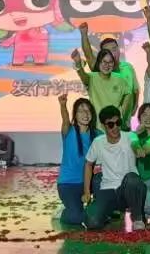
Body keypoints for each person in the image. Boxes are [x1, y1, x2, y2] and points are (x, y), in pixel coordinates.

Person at [82, 105, 149, 230]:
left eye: (118, 123)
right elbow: (88, 164)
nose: (115, 127)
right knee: (92, 222)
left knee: (132, 178)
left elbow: (135, 143)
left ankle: (138, 218)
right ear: (103, 126)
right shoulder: (98, 142)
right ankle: (107, 214)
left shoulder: (129, 136)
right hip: (108, 190)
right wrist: (86, 191)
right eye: (110, 124)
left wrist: (138, 149)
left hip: (128, 189)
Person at [79, 23, 140, 116]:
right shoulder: (101, 70)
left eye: (114, 49)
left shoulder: (128, 67)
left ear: (119, 50)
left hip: (125, 120)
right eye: (108, 51)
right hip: (104, 119)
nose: (112, 53)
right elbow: (89, 55)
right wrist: (84, 34)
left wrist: (135, 107)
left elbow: (135, 90)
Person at [56, 93, 98, 225]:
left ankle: (99, 208)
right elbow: (65, 119)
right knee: (76, 217)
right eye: (81, 111)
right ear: (75, 114)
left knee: (102, 180)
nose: (85, 114)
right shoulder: (69, 131)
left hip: (87, 182)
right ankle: (64, 213)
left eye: (88, 110)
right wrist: (63, 105)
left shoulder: (97, 134)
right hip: (68, 184)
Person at [72, 48, 133, 127]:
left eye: (110, 62)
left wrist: (123, 117)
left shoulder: (120, 79)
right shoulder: (91, 78)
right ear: (99, 62)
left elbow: (129, 94)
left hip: (115, 126)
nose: (107, 65)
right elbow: (82, 75)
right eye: (104, 62)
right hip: (97, 127)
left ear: (113, 63)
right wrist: (78, 63)